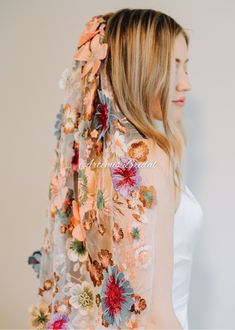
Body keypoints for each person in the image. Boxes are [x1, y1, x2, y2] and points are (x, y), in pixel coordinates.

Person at [27, 8, 204, 330]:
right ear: (140, 69)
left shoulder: (94, 160)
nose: (186, 83)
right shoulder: (147, 157)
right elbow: (153, 312)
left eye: (186, 67)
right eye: (174, 67)